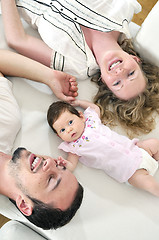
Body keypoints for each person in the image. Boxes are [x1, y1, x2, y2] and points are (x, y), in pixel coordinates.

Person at [2, 0, 159, 136]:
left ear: (104, 81)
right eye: (131, 74)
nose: (120, 73)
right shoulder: (123, 8)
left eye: (117, 83)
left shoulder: (76, 65)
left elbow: (17, 39)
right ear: (135, 59)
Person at [0, 51, 83, 230]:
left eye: (51, 180)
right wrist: (49, 76)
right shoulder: (8, 119)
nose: (51, 163)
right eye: (60, 166)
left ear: (24, 204)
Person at [47, 99, 159, 197]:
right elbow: (71, 166)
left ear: (81, 116)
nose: (69, 129)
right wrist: (64, 164)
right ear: (59, 136)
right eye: (62, 130)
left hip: (137, 149)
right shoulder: (74, 147)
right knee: (150, 184)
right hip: (130, 170)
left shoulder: (91, 121)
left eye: (70, 122)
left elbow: (95, 107)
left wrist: (79, 102)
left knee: (154, 143)